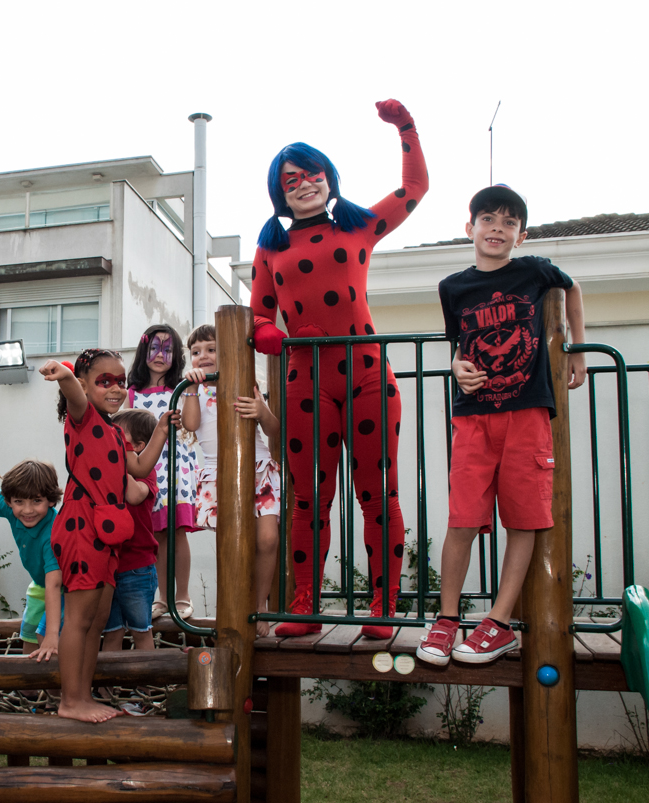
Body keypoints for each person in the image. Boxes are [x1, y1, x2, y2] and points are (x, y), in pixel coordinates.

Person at [250, 99, 428, 638]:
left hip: (370, 372)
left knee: (379, 491)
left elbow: (415, 189)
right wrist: (274, 338)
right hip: (307, 379)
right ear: (280, 191)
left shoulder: (360, 225)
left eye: (312, 173)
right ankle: (304, 603)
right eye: (291, 179)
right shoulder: (271, 246)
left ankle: (384, 605)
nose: (304, 184)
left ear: (329, 176)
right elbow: (258, 318)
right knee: (308, 498)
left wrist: (406, 127)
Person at [418, 185, 586, 665]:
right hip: (473, 417)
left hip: (527, 412)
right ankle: (447, 619)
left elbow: (572, 288)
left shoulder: (533, 270)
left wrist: (578, 349)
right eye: (488, 219)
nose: (497, 228)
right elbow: (461, 344)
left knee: (524, 518)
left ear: (521, 234)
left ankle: (498, 622)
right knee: (463, 518)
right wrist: (456, 366)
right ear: (469, 228)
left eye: (509, 223)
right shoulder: (453, 287)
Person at [41, 350, 173, 722]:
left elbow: (141, 466)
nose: (116, 388)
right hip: (82, 526)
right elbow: (73, 392)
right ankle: (71, 700)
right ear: (85, 385)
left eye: (120, 381)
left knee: (97, 621)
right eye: (105, 381)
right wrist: (64, 373)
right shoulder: (81, 418)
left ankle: (82, 695)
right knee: (80, 619)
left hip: (106, 532)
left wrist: (161, 429)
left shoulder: (116, 432)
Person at [181, 325, 282, 637]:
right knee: (232, 544)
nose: (203, 356)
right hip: (219, 472)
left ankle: (259, 605)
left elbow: (275, 430)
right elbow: (191, 423)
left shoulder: (244, 382)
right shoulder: (193, 389)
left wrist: (262, 411)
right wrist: (190, 388)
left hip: (259, 466)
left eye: (211, 349)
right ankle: (235, 607)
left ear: (226, 353)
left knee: (267, 539)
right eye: (196, 352)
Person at [125, 324, 198, 620]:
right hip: (148, 468)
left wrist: (191, 392)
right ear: (144, 351)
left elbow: (191, 424)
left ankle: (183, 596)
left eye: (167, 350)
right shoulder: (133, 392)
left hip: (177, 464)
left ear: (175, 356)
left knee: (177, 531)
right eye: (154, 348)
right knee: (157, 534)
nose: (159, 355)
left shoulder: (180, 388)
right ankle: (163, 598)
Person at [0, 460, 63, 661]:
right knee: (29, 634)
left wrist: (52, 635)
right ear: (10, 502)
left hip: (63, 588)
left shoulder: (53, 534)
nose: (27, 510)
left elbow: (55, 584)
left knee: (46, 636)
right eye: (19, 502)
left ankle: (55, 689)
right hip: (40, 584)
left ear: (51, 500)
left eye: (36, 501)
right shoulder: (12, 510)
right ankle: (30, 690)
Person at [102, 409, 161, 654]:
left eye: (118, 437)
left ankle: (149, 687)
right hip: (109, 565)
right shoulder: (107, 472)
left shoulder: (145, 473)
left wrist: (121, 464)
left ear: (138, 446)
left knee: (141, 630)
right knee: (112, 632)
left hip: (137, 566)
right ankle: (106, 690)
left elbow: (135, 495)